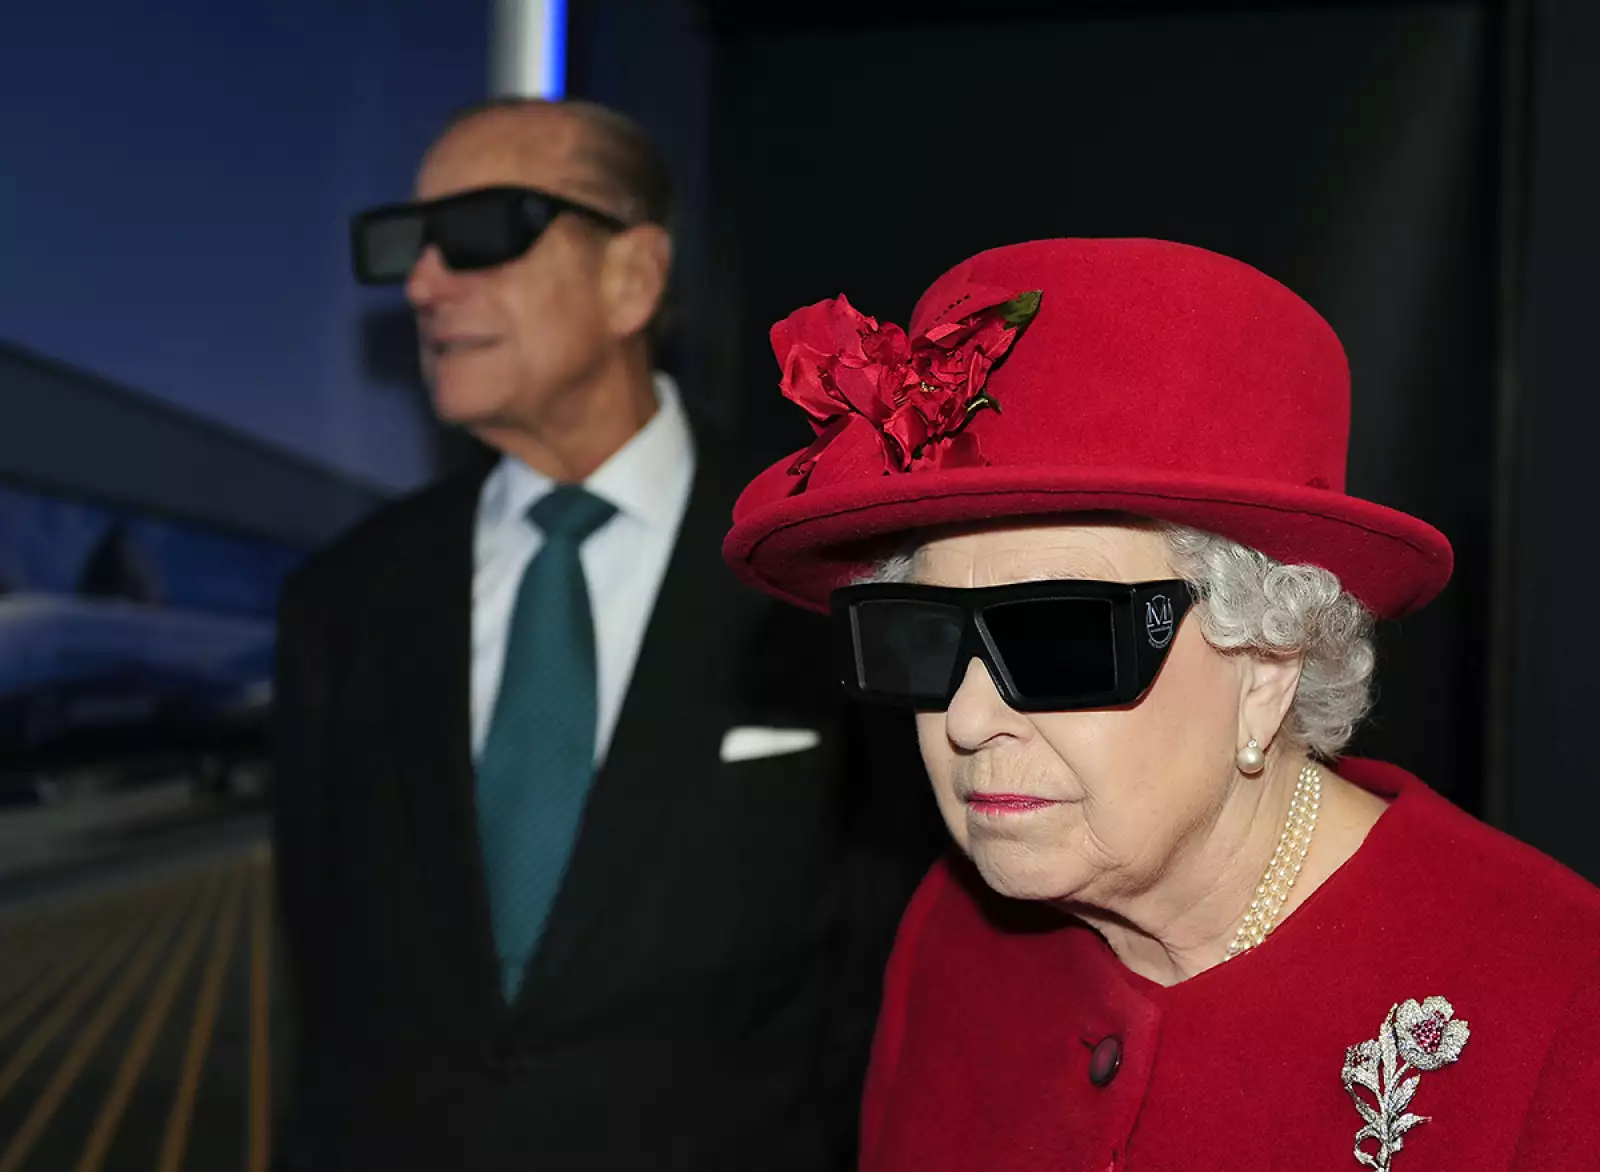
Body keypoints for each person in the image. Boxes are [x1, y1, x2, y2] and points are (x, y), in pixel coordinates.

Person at [721, 237, 1600, 1169]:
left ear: (1267, 661)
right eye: (925, 635)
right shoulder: (955, 930)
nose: (968, 722)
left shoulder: (1561, 1009)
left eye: (1058, 641)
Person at [270, 98, 936, 1172]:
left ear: (633, 276)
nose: (423, 283)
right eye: (406, 244)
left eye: (479, 232)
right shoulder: (342, 600)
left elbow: (887, 962)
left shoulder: (821, 561)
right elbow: (321, 973)